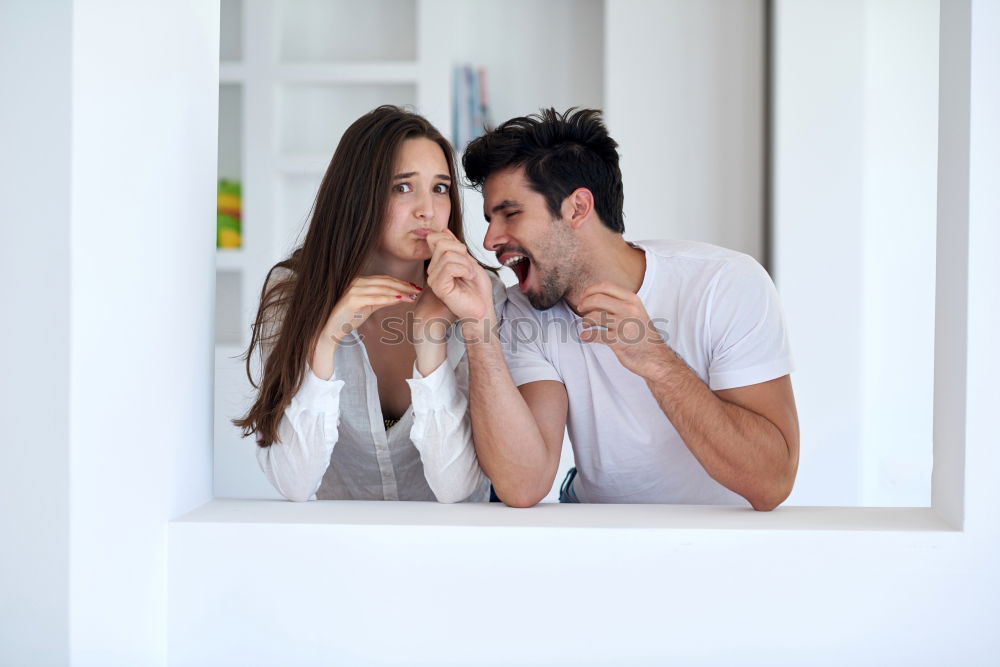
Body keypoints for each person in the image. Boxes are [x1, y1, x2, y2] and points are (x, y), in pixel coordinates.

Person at [423, 107, 800, 510]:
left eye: (510, 214)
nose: (491, 239)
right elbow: (523, 484)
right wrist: (479, 327)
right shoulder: (524, 310)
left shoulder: (724, 284)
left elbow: (771, 482)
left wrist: (657, 362)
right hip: (596, 528)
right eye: (489, 219)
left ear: (578, 208)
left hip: (723, 535)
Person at [232, 105, 504, 503]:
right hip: (340, 550)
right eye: (403, 187)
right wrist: (323, 342)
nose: (427, 209)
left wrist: (431, 341)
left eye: (440, 188)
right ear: (359, 194)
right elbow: (294, 485)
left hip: (450, 549)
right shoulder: (291, 293)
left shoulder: (480, 295)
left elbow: (458, 490)